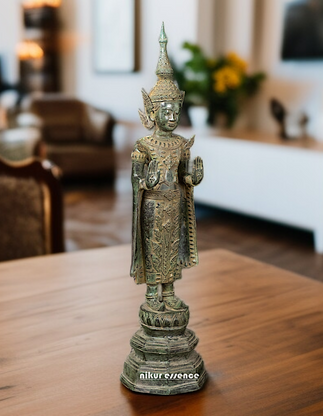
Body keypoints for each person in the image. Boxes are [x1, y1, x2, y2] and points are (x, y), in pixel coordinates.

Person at [130, 23, 204, 312]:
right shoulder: (144, 145)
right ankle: (152, 292)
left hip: (174, 204)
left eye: (176, 111)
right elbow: (136, 178)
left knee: (173, 245)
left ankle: (169, 291)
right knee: (153, 245)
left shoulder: (181, 144)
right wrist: (144, 183)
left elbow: (183, 175)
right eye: (166, 111)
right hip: (152, 205)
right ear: (153, 111)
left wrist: (192, 178)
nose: (172, 117)